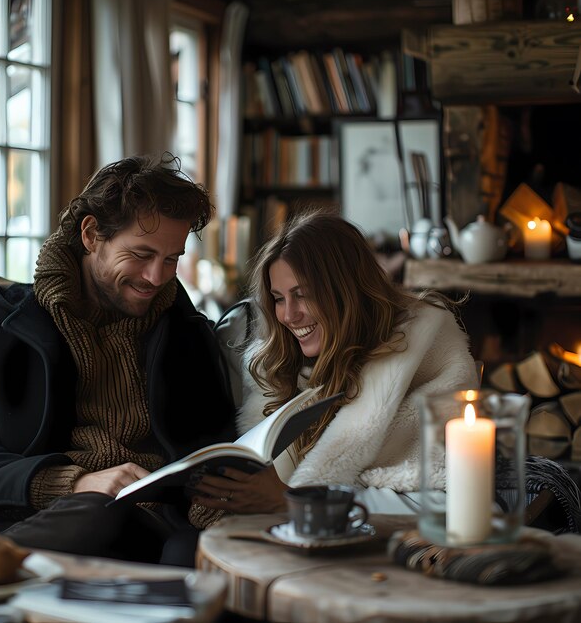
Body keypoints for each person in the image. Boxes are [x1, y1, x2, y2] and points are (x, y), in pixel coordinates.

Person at [0, 153, 236, 565]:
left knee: (194, 553)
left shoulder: (185, 327)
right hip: (53, 517)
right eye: (141, 254)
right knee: (94, 513)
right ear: (90, 235)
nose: (156, 278)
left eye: (171, 259)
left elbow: (212, 442)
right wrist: (74, 482)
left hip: (162, 524)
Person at [191, 209, 479, 518]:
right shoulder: (282, 368)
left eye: (303, 295)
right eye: (278, 298)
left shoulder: (427, 357)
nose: (289, 315)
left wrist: (294, 502)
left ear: (346, 291)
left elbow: (453, 503)